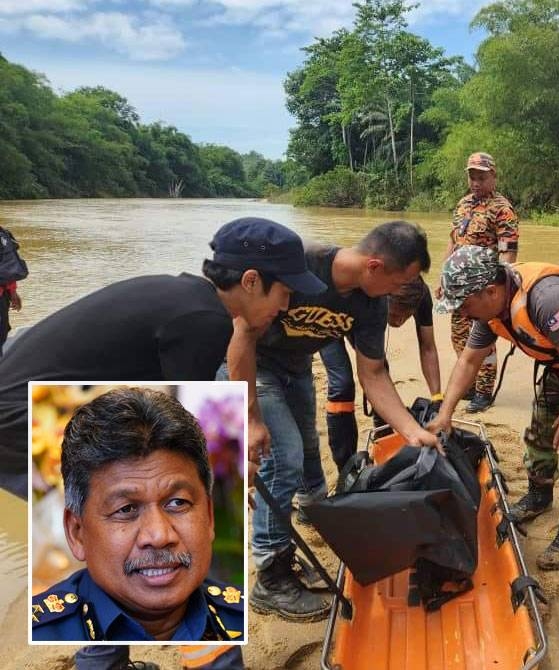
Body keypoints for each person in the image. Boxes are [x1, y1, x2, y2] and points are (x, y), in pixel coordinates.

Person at [0, 216, 321, 670]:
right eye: (285, 292)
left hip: (34, 406)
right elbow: (180, 434)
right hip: (24, 418)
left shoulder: (190, 300)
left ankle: (105, 661)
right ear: (252, 282)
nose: (287, 306)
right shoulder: (203, 321)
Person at [230, 220, 438, 622]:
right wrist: (250, 413)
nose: (400, 293)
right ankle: (270, 576)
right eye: (400, 281)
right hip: (251, 364)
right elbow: (241, 332)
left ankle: (310, 517)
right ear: (375, 266)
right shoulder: (299, 264)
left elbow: (373, 374)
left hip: (296, 365)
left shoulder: (372, 303)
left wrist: (412, 431)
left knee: (308, 446)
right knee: (283, 454)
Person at [429, 245, 559, 571]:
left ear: (490, 291)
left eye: (463, 305)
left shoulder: (546, 299)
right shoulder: (489, 310)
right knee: (539, 434)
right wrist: (445, 413)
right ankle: (539, 494)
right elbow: (469, 360)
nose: (461, 313)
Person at [32, 387, 244, 644]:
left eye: (177, 503)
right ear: (77, 534)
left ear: (209, 517)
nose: (158, 535)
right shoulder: (34, 637)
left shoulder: (247, 619)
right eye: (126, 509)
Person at [314, 276, 442, 476]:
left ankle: (383, 438)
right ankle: (345, 467)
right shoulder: (368, 295)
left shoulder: (421, 295)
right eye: (396, 314)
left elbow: (427, 347)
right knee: (342, 384)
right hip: (329, 316)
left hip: (360, 316)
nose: (399, 321)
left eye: (406, 316)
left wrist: (437, 398)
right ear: (384, 300)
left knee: (381, 371)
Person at [443, 152, 519, 413]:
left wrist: (503, 291)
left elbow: (508, 252)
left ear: (493, 177)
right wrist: (445, 277)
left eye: (481, 177)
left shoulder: (502, 209)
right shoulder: (463, 204)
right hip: (460, 289)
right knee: (458, 336)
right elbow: (453, 242)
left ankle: (484, 392)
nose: (476, 182)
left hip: (484, 291)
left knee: (483, 341)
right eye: (472, 177)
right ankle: (471, 385)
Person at [0, 223, 27, 357]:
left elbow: (9, 267)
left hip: (2, 296)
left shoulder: (3, 234)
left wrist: (13, 293)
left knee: (2, 332)